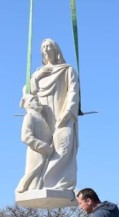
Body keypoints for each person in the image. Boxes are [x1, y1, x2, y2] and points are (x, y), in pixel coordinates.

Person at [28, 38, 79, 191]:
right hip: (43, 116)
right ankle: (38, 184)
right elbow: (28, 94)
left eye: (49, 46)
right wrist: (36, 77)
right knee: (43, 150)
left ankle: (59, 184)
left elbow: (74, 91)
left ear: (56, 50)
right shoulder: (38, 73)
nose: (46, 49)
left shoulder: (67, 69)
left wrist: (69, 111)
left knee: (64, 146)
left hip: (62, 113)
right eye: (43, 47)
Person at [16, 93, 53, 193]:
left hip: (45, 151)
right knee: (33, 172)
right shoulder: (29, 117)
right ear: (29, 104)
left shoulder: (41, 117)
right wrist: (44, 147)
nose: (38, 102)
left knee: (40, 174)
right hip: (36, 151)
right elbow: (26, 137)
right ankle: (24, 186)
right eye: (35, 100)